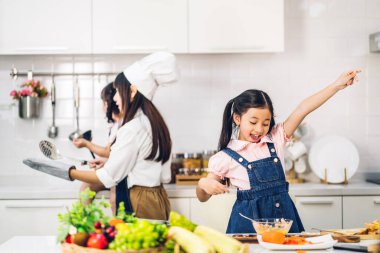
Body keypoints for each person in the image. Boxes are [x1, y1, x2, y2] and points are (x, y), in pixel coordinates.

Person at [196, 69, 361, 234]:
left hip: (284, 223)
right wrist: (203, 183)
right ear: (237, 119)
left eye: (266, 123)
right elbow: (202, 197)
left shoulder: (275, 139)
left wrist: (336, 86)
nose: (259, 129)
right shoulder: (225, 157)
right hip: (247, 228)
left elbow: (303, 109)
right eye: (253, 122)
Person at [24, 52, 178, 220]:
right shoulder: (155, 123)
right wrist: (110, 162)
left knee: (136, 247)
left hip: (139, 201)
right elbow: (161, 173)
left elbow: (108, 178)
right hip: (159, 198)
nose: (115, 98)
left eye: (118, 92)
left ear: (132, 91)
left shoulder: (132, 128)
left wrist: (69, 172)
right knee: (152, 246)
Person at [72, 82, 121, 214]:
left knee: (115, 197)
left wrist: (87, 144)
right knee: (85, 189)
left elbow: (109, 151)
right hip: (114, 170)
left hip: (121, 174)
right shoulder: (114, 125)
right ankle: (89, 224)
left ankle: (116, 228)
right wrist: (104, 161)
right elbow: (112, 153)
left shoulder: (123, 124)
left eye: (103, 102)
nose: (102, 106)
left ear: (108, 103)